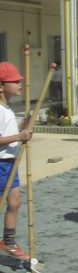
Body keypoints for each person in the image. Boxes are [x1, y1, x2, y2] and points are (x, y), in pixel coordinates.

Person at [0, 62, 33, 260]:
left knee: (15, 201)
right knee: (8, 201)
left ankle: (9, 241)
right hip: (1, 163)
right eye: (15, 81)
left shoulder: (7, 109)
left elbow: (8, 132)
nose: (20, 83)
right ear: (1, 86)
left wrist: (22, 126)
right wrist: (18, 137)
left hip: (10, 163)